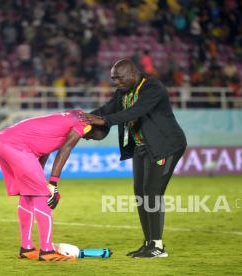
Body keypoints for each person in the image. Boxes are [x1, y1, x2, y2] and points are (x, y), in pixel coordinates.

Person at [80, 59, 187, 258]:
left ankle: (157, 246)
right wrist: (83, 117)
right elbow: (107, 109)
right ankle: (148, 243)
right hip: (140, 147)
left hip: (165, 146)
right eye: (113, 79)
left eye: (118, 78)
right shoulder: (123, 92)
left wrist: (104, 121)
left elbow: (135, 111)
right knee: (140, 193)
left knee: (152, 192)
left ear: (131, 74)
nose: (116, 83)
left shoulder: (152, 87)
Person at [0, 109, 108, 262]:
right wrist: (53, 183)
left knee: (28, 194)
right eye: (93, 137)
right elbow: (66, 149)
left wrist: (42, 179)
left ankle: (26, 248)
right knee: (43, 196)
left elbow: (43, 149)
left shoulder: (69, 118)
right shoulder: (83, 123)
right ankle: (47, 251)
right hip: (16, 147)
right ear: (94, 127)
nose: (88, 139)